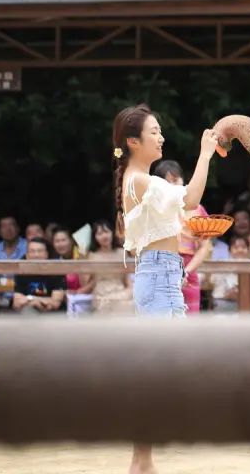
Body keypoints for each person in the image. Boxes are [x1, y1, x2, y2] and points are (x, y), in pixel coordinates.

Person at [113, 103, 217, 474]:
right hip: (158, 276)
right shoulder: (141, 180)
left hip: (162, 274)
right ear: (133, 142)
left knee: (158, 371)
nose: (161, 137)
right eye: (154, 132)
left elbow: (180, 216)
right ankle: (141, 461)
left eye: (159, 131)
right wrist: (205, 153)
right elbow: (189, 199)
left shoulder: (138, 179)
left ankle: (143, 461)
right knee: (159, 372)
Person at [154, 160, 214, 315]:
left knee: (190, 325)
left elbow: (205, 247)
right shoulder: (154, 210)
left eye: (175, 181)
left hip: (189, 270)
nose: (172, 186)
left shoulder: (197, 209)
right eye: (166, 183)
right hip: (162, 269)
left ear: (183, 180)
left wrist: (185, 272)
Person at [86, 219, 133, 315]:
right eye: (99, 234)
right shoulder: (92, 255)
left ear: (112, 233)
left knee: (128, 303)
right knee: (106, 304)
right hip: (101, 292)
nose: (104, 236)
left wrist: (130, 290)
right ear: (95, 237)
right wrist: (78, 292)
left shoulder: (122, 253)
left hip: (120, 290)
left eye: (106, 232)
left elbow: (127, 279)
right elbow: (91, 281)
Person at [11, 237, 65, 315]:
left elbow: (55, 303)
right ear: (27, 255)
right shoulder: (21, 272)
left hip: (53, 315)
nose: (36, 255)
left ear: (47, 254)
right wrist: (39, 302)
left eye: (40, 251)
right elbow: (16, 303)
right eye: (32, 251)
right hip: (27, 313)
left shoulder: (56, 272)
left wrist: (32, 299)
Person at [210, 234, 250, 313]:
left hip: (246, 304)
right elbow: (214, 284)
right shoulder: (221, 265)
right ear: (229, 250)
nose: (240, 250)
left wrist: (240, 293)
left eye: (243, 247)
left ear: (248, 250)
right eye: (236, 247)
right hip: (222, 302)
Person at [0, 216, 26, 309]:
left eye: (11, 225)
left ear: (18, 228)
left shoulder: (28, 247)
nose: (8, 229)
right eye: (4, 226)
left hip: (24, 299)